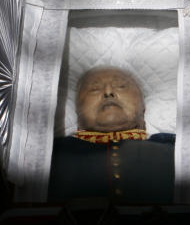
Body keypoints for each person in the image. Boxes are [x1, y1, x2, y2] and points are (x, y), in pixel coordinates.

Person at [47, 66, 176, 203]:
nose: (108, 92)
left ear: (143, 106)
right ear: (78, 112)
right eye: (94, 89)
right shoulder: (49, 154)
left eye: (121, 86)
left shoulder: (177, 149)